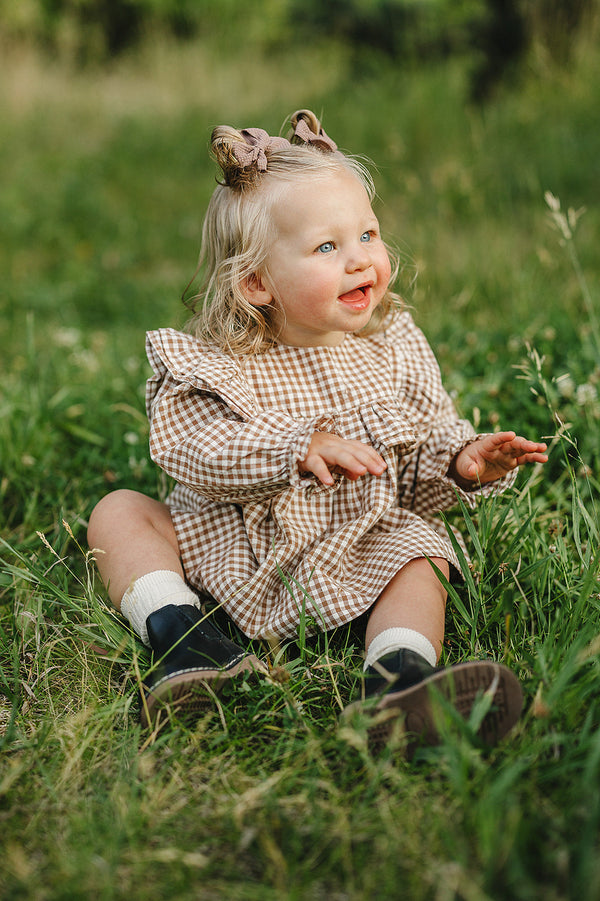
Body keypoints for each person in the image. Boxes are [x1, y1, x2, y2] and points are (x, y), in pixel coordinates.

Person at [87, 109, 548, 750]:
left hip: (355, 548)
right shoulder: (213, 365)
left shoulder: (394, 348)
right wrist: (294, 446)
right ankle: (188, 641)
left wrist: (460, 460)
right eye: (327, 248)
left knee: (422, 553)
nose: (360, 260)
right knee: (119, 512)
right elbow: (194, 452)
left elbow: (415, 461)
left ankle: (399, 677)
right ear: (256, 282)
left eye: (367, 234)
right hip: (228, 556)